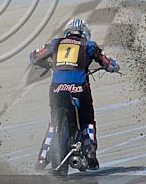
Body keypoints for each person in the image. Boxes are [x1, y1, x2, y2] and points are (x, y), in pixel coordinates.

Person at [29, 18, 120, 171]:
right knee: (87, 119)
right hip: (79, 88)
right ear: (85, 34)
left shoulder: (55, 43)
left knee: (53, 122)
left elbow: (33, 56)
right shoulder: (89, 45)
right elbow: (110, 63)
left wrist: (46, 64)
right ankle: (90, 152)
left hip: (57, 89)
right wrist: (113, 67)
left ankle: (42, 158)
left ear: (67, 32)